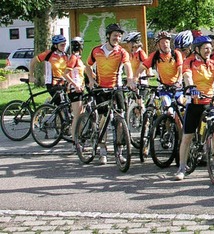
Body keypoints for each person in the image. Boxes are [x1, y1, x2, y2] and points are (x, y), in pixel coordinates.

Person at [175, 36, 214, 181]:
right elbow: (187, 75)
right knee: (187, 136)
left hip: (210, 102)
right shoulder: (190, 62)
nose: (208, 50)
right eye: (205, 48)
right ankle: (182, 167)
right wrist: (191, 87)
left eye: (210, 48)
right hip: (194, 103)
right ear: (197, 50)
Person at [84, 23, 135, 165]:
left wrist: (130, 80)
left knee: (120, 118)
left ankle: (119, 150)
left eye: (119, 36)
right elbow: (87, 65)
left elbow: (128, 66)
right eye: (115, 35)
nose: (117, 38)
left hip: (116, 87)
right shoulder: (96, 51)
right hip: (101, 88)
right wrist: (91, 79)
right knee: (103, 119)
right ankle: (103, 151)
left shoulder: (122, 52)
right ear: (108, 36)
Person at [137, 31, 184, 139]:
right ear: (158, 44)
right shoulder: (155, 56)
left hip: (177, 88)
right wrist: (135, 78)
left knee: (180, 115)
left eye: (167, 42)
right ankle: (168, 133)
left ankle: (182, 142)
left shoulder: (176, 54)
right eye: (162, 42)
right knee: (168, 112)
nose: (165, 44)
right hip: (164, 88)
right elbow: (142, 67)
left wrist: (179, 81)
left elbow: (180, 70)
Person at [29, 34, 68, 105]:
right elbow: (32, 62)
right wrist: (31, 76)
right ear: (55, 46)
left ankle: (49, 104)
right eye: (62, 45)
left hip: (62, 83)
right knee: (61, 105)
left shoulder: (65, 55)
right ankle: (50, 105)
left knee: (67, 104)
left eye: (65, 44)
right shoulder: (48, 54)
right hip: (52, 83)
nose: (64, 46)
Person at [64, 37, 85, 143]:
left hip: (80, 89)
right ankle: (75, 140)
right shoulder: (73, 58)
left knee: (81, 114)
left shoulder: (78, 58)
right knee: (77, 116)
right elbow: (66, 74)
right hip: (74, 90)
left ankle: (79, 137)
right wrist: (75, 85)